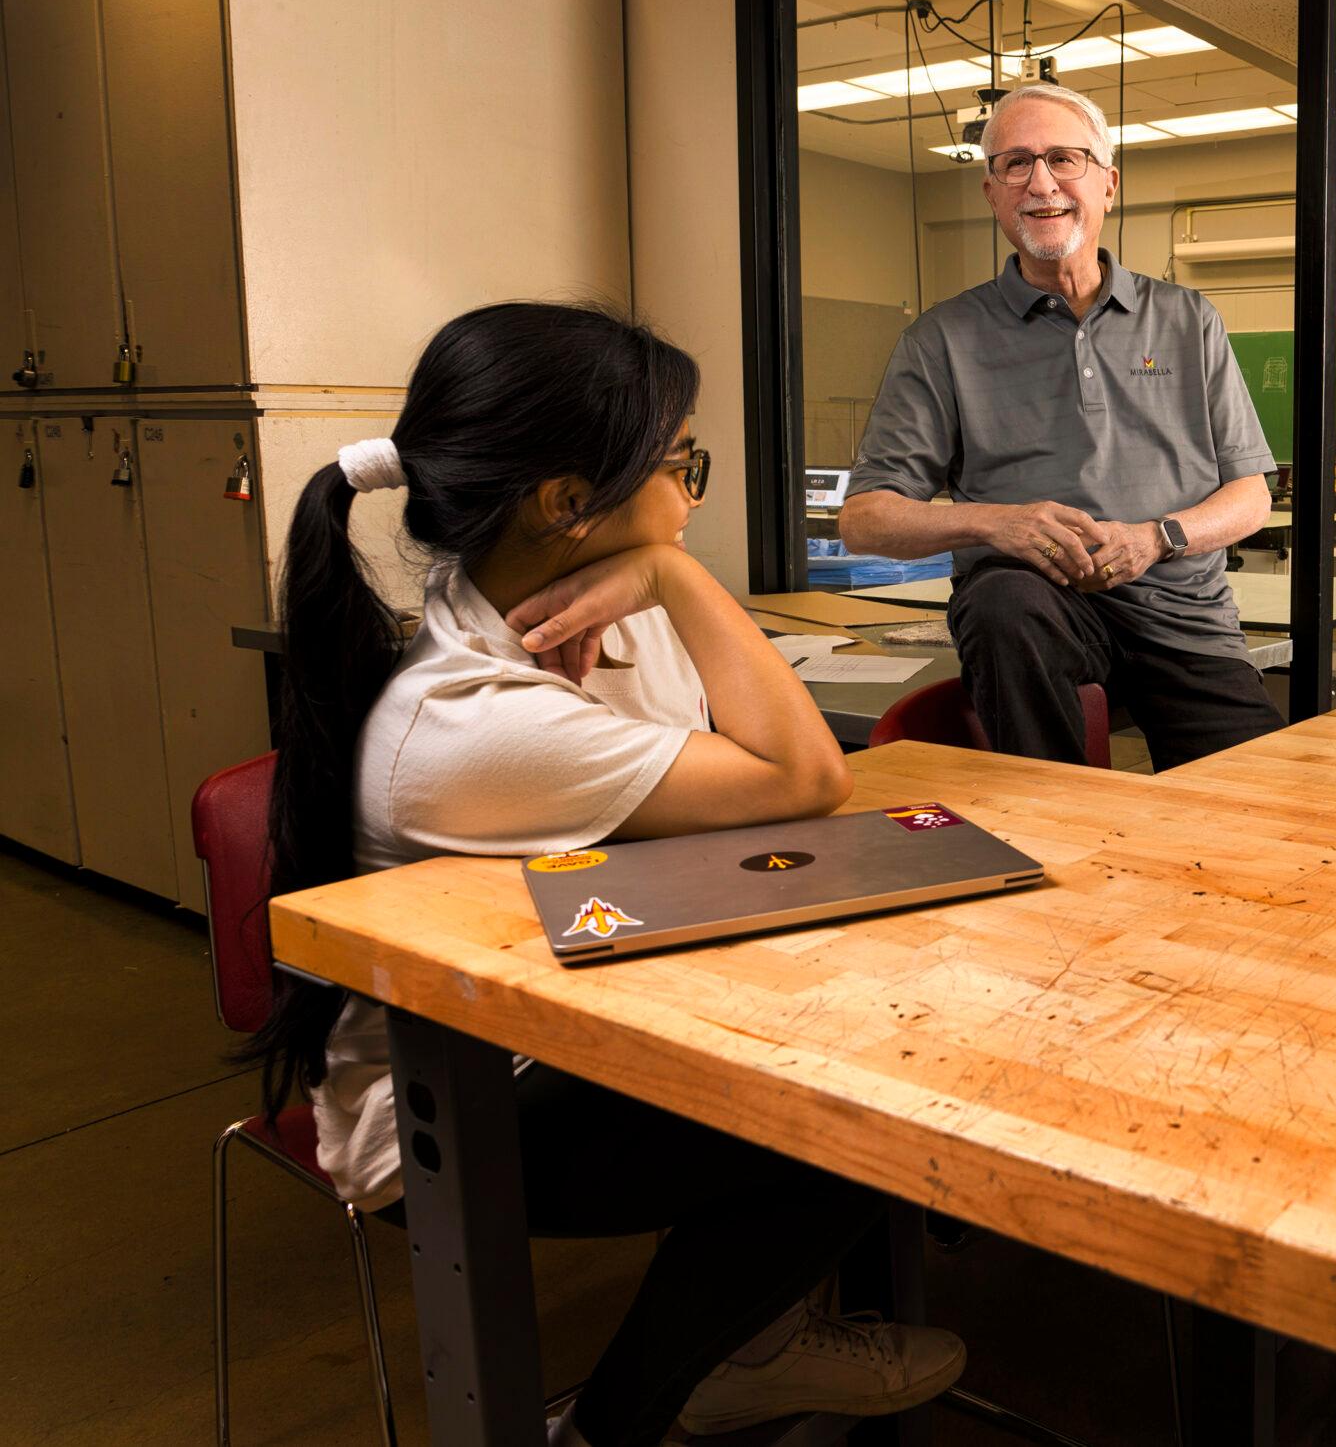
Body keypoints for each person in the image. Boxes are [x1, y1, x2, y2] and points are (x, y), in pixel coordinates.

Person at [248, 303, 963, 1446]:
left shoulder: (577, 614)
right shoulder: (473, 721)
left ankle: (761, 1339)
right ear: (566, 502)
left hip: (595, 999)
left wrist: (657, 588)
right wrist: (676, 581)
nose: (689, 498)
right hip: (463, 1098)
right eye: (682, 465)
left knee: (890, 1033)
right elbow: (805, 778)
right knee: (862, 1117)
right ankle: (622, 1422)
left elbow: (749, 789)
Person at [841, 82, 1284, 768]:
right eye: (1015, 164)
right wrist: (997, 524)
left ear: (1108, 184)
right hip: (1039, 612)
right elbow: (865, 519)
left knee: (1253, 815)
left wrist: (1157, 537)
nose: (1040, 182)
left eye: (1063, 159)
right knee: (1003, 604)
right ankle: (1053, 816)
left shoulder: (1188, 320)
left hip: (1183, 616)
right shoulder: (943, 340)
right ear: (992, 193)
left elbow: (1252, 494)